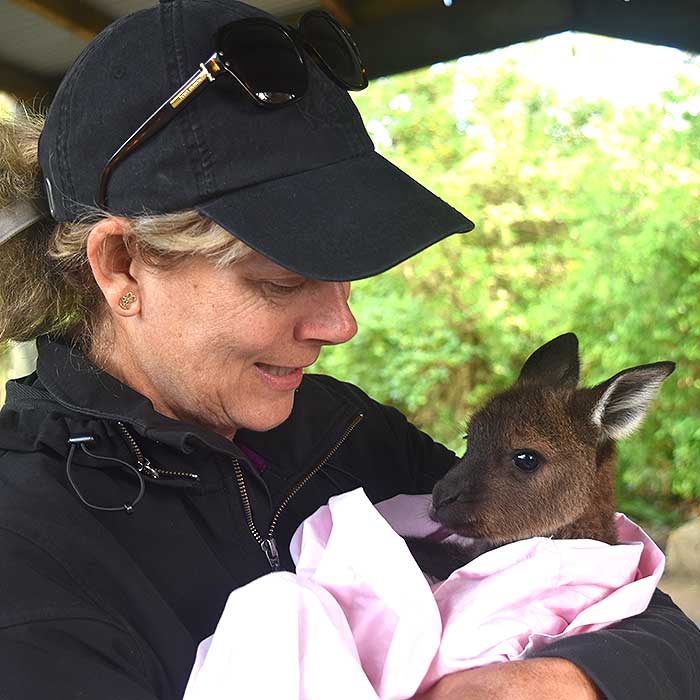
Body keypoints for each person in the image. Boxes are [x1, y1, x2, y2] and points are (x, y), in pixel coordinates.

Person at [0, 1, 697, 699]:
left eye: (345, 273)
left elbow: (660, 629)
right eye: (283, 279)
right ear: (121, 265)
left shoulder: (347, 433)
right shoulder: (31, 545)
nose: (342, 325)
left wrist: (556, 680)